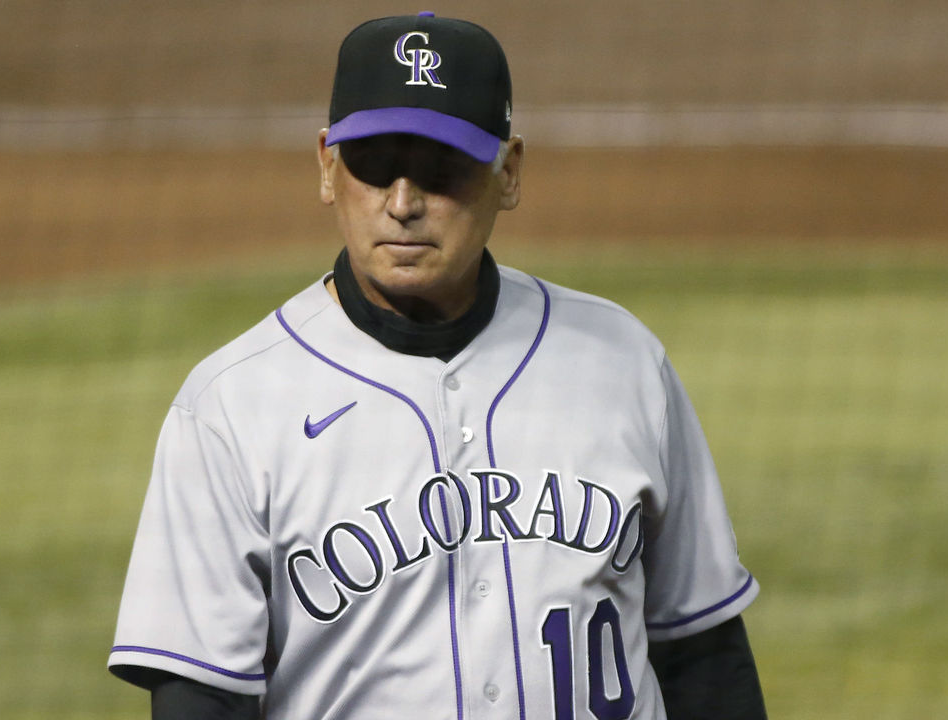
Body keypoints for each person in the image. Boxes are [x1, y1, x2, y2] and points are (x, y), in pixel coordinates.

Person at [108, 13, 766, 720]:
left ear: (508, 172)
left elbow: (705, 653)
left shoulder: (623, 362)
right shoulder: (232, 406)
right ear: (326, 167)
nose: (402, 203)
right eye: (373, 165)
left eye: (439, 167)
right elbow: (199, 701)